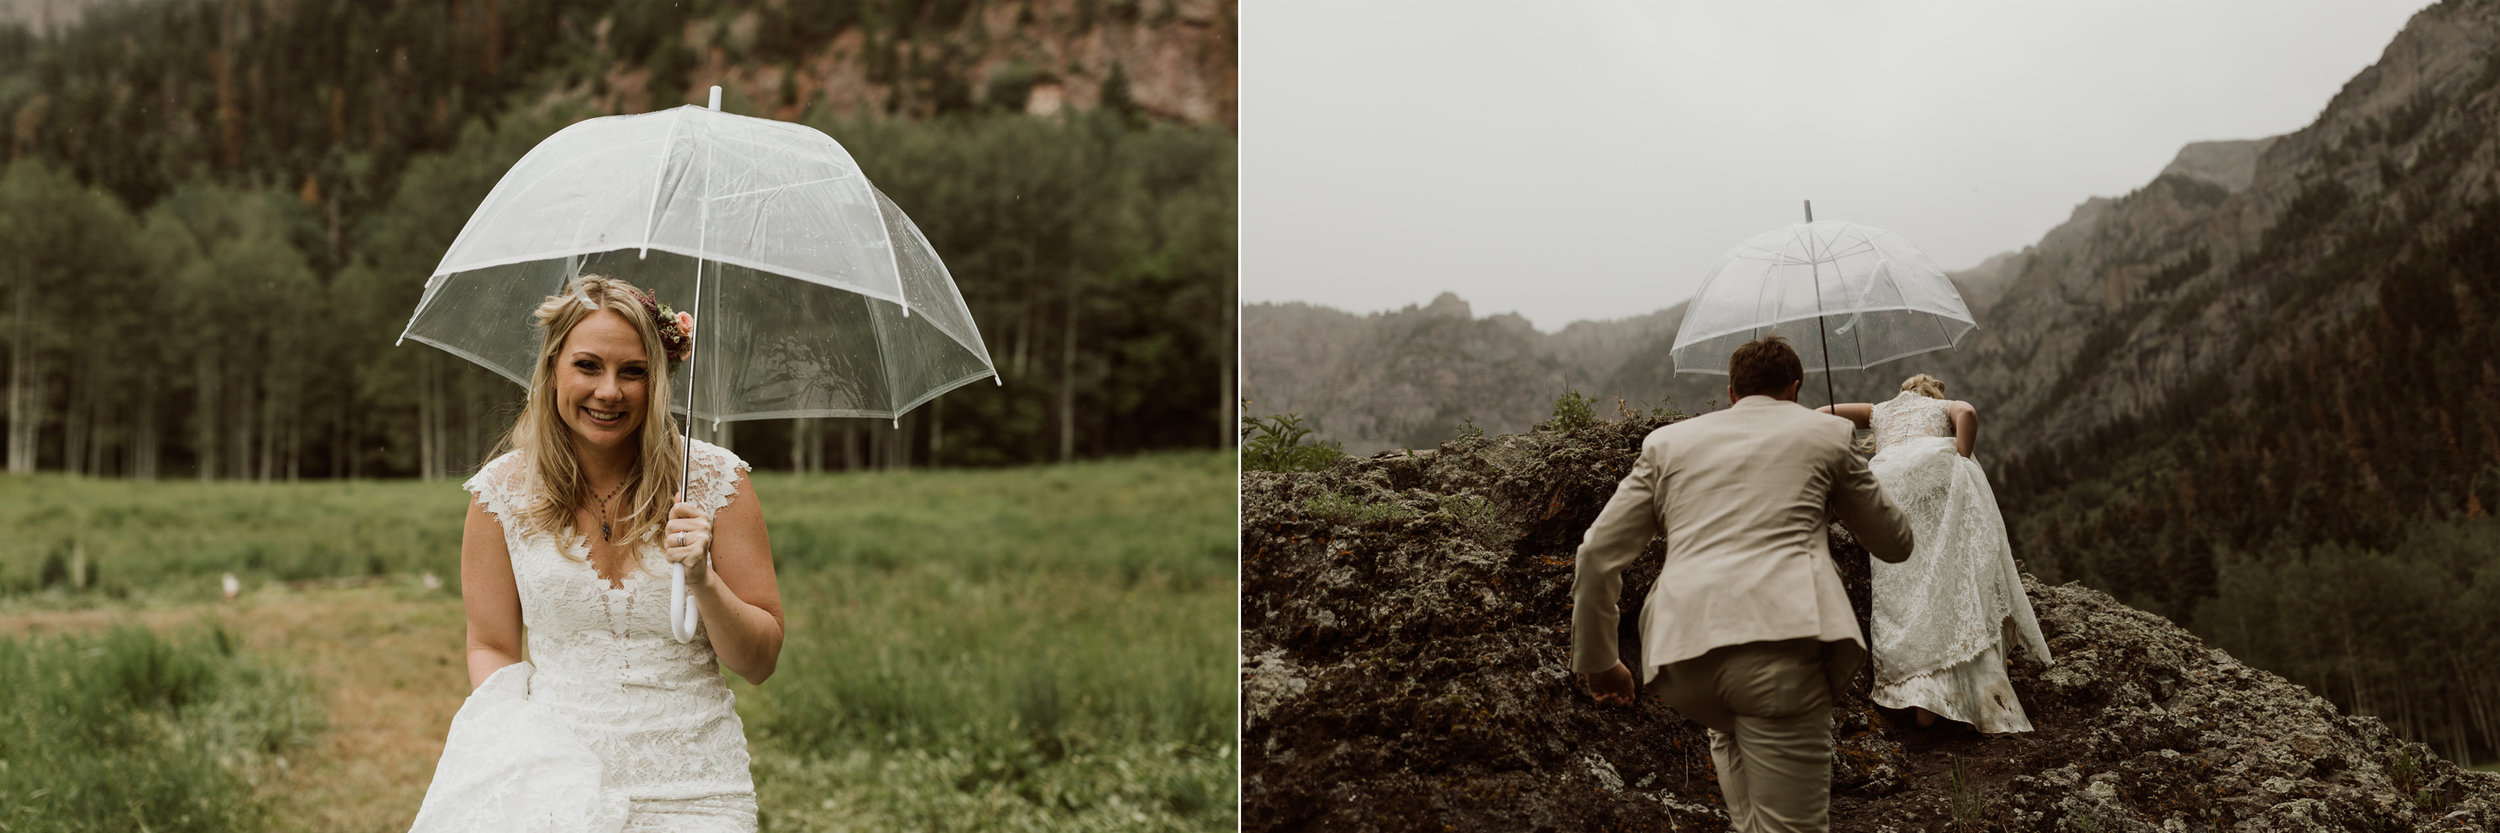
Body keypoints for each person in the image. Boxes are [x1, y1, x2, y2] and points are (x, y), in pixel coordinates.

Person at [409, 275, 784, 832]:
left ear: (656, 380)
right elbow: (490, 645)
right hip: (555, 782)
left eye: (632, 371)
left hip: (697, 787)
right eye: (588, 366)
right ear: (553, 368)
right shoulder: (502, 494)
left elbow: (759, 662)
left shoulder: (715, 482)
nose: (609, 391)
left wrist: (704, 579)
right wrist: (519, 750)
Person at [1571, 335, 1915, 833]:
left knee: (1750, 809)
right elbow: (1896, 543)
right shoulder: (1828, 434)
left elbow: (1596, 555)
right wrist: (1855, 471)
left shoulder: (1666, 443)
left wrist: (1601, 664)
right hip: (1781, 646)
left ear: (1732, 392)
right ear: (1795, 387)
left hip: (1685, 656)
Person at [1819, 374, 2051, 733]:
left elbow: (1822, 412)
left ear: (1902, 392)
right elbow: (1969, 413)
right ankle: (1964, 691)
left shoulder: (1878, 410)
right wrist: (1961, 454)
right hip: (1935, 475)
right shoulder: (1942, 406)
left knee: (1901, 579)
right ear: (1933, 393)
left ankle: (1919, 696)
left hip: (1888, 482)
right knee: (1950, 572)